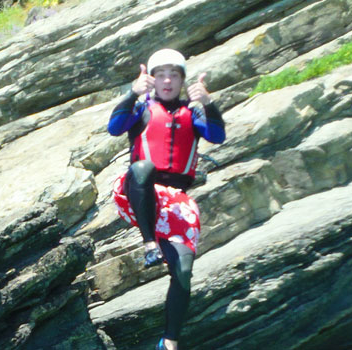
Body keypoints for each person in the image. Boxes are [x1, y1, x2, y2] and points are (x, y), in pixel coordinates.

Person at [108, 49, 225, 350]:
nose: (168, 80)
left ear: (183, 80)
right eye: (161, 75)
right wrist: (130, 94)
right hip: (138, 190)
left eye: (174, 74)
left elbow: (217, 135)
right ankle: (150, 245)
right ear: (152, 79)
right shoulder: (141, 108)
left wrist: (209, 103)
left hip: (176, 200)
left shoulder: (193, 112)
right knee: (143, 168)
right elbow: (114, 127)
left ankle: (169, 342)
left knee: (184, 268)